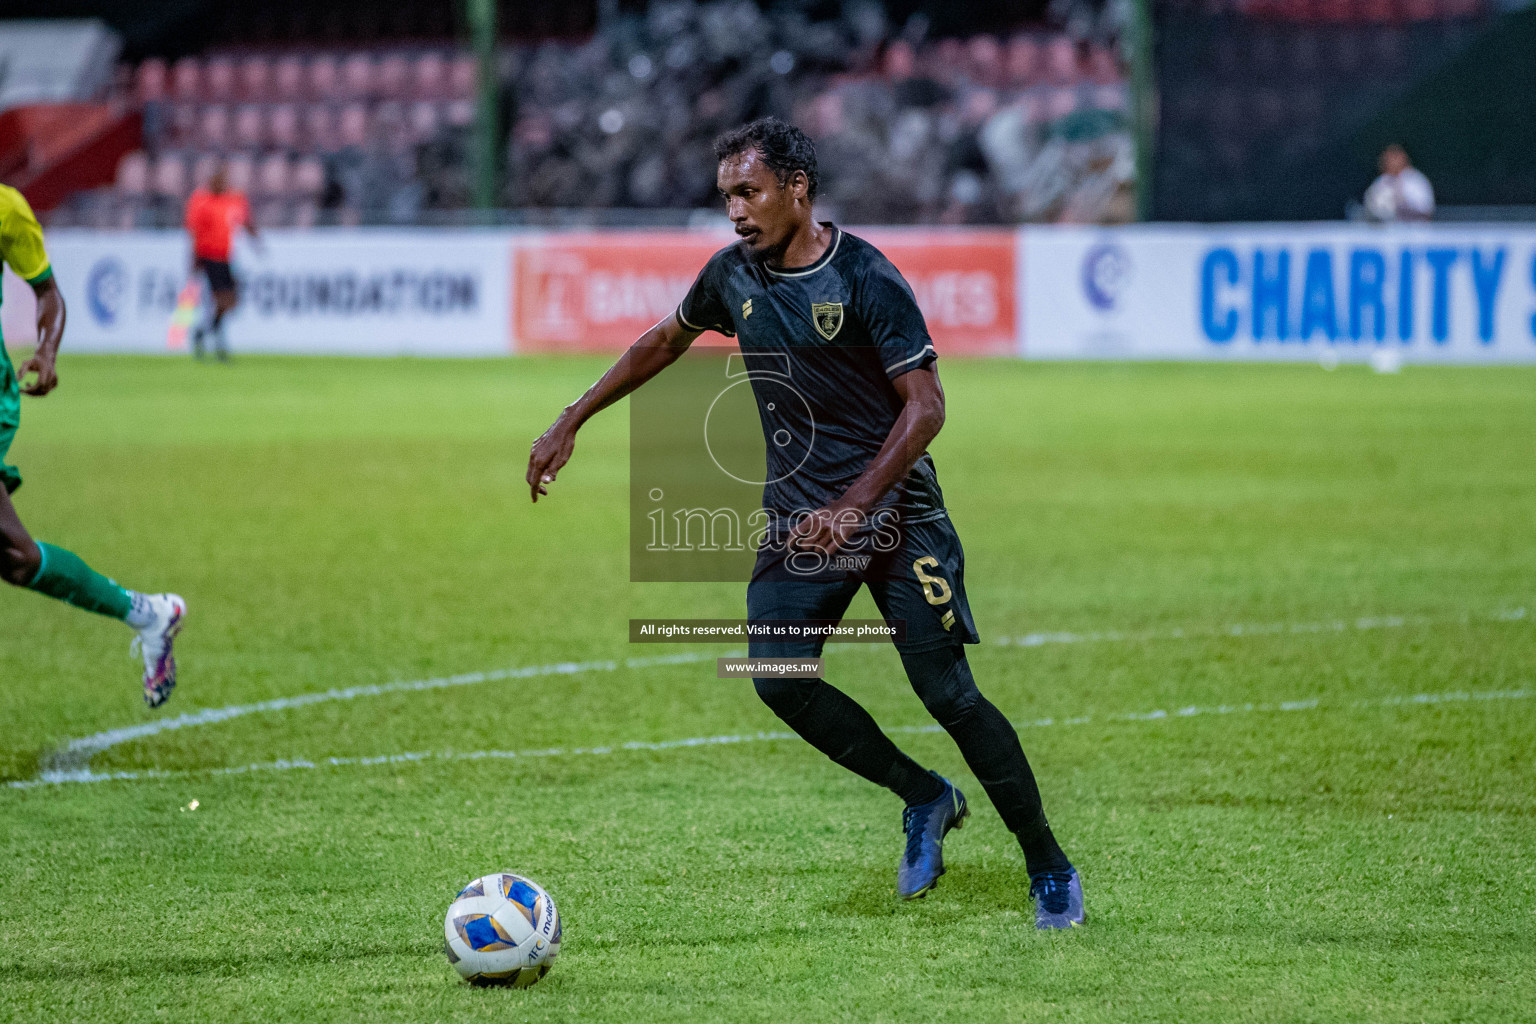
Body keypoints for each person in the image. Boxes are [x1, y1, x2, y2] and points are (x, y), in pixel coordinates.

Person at [526, 118, 1084, 929]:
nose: (736, 212)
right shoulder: (729, 276)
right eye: (727, 197)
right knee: (778, 677)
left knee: (947, 692)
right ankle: (925, 795)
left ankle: (1050, 867)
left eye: (749, 193)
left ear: (797, 189)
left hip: (896, 518)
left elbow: (926, 409)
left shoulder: (865, 277)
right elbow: (663, 341)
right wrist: (573, 417)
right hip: (799, 522)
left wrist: (854, 505)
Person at [0, 183, 186, 706]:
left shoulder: (6, 209)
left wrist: (47, 349)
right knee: (16, 559)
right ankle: (151, 613)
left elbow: (47, 292)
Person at [184, 162, 259, 360]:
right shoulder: (201, 201)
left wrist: (256, 240)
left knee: (230, 302)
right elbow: (195, 232)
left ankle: (202, 332)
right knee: (222, 300)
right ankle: (219, 344)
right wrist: (195, 260)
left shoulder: (234, 199)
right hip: (209, 257)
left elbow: (245, 221)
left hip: (226, 257)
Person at [1364, 144, 1435, 222]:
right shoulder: (1381, 181)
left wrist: (1401, 205)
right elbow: (1372, 209)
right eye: (1388, 158)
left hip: (1415, 230)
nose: (1391, 162)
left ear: (1404, 158)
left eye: (1395, 157)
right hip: (1388, 231)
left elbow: (1426, 211)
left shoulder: (1416, 180)